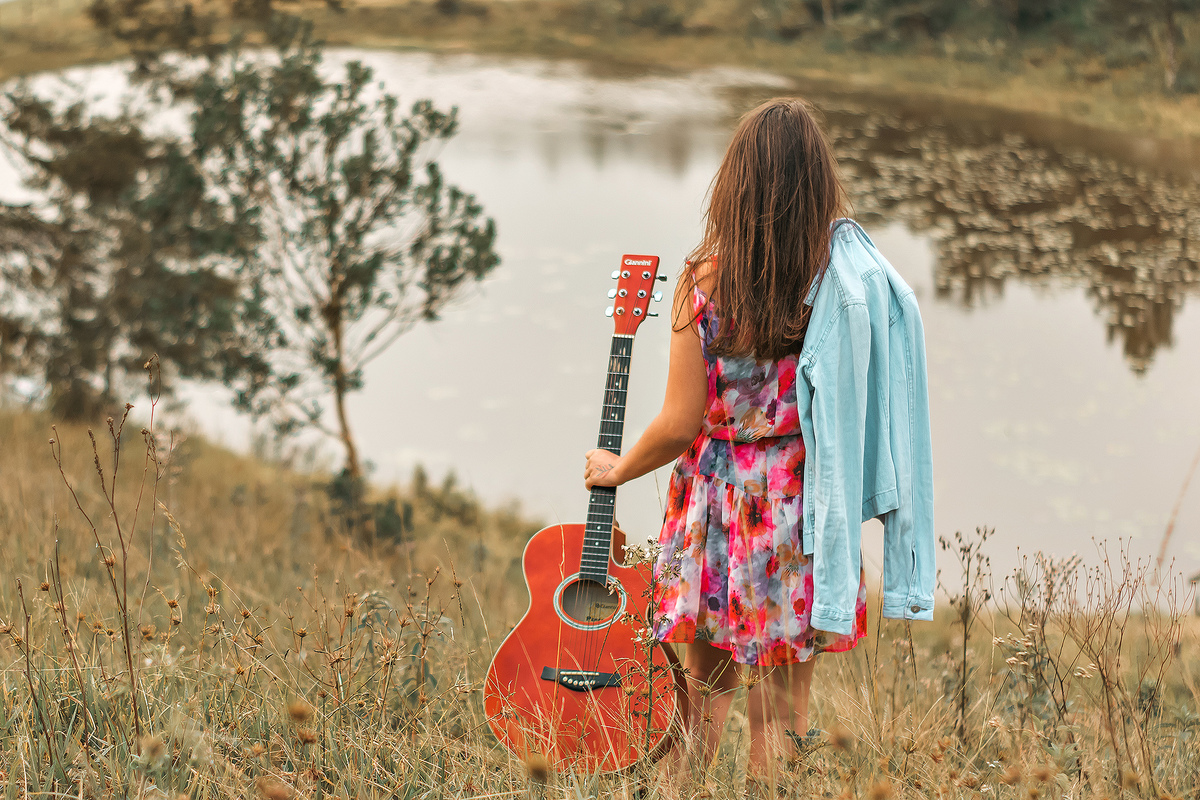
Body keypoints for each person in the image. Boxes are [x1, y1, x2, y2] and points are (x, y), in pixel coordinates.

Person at [583, 97, 935, 785]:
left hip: (713, 509)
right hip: (798, 511)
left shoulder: (704, 281)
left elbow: (681, 422)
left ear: (735, 182)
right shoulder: (837, 284)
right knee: (781, 714)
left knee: (699, 699)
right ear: (819, 186)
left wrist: (615, 469)